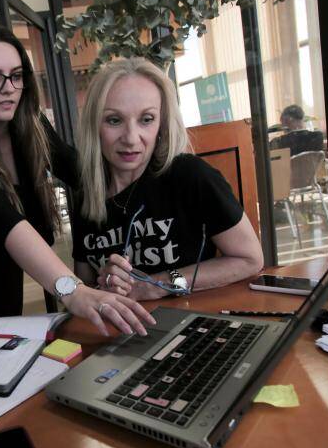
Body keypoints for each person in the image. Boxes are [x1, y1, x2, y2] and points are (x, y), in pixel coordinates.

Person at [0, 24, 153, 337]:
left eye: (16, 75)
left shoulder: (30, 124)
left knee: (4, 325)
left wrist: (146, 171)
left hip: (4, 255)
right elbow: (4, 220)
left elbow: (80, 171)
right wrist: (74, 290)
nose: (8, 87)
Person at [70, 57, 263, 300]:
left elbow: (250, 259)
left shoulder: (192, 176)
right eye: (114, 120)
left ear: (161, 124)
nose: (131, 137)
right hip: (120, 330)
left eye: (146, 119)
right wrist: (104, 285)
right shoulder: (85, 195)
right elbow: (84, 288)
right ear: (94, 126)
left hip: (190, 321)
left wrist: (158, 284)